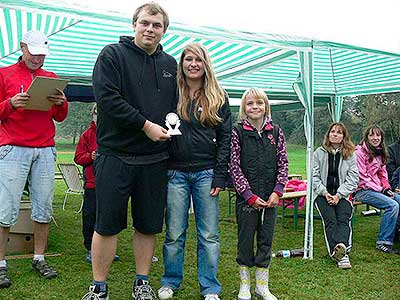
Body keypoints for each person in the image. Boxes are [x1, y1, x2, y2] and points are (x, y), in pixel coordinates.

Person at [81, 2, 177, 300]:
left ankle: (142, 283)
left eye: (157, 25)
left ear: (164, 30)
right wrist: (145, 125)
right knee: (106, 225)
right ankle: (99, 287)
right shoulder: (112, 55)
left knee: (148, 226)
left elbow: (177, 107)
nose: (150, 29)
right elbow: (107, 98)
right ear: (134, 24)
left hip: (155, 159)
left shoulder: (170, 65)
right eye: (145, 23)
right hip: (115, 155)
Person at [158, 43, 231, 300]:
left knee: (209, 234)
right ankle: (170, 280)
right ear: (182, 63)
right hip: (175, 172)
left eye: (198, 59)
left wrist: (221, 175)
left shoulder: (218, 97)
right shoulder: (170, 93)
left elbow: (225, 141)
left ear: (205, 64)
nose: (193, 64)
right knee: (174, 233)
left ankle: (210, 287)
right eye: (188, 59)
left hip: (207, 173)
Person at [0, 30, 68, 288]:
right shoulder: (4, 74)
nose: (38, 59)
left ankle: (39, 257)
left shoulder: (50, 78)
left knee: (43, 207)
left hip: (45, 148)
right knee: (6, 207)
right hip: (13, 148)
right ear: (22, 47)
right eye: (34, 53)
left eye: (42, 55)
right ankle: (1, 263)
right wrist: (10, 104)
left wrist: (62, 103)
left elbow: (60, 117)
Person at [229, 88, 288, 300]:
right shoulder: (237, 132)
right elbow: (234, 166)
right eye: (250, 103)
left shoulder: (277, 132)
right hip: (247, 199)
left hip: (270, 199)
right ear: (244, 107)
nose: (255, 107)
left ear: (266, 106)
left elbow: (283, 163)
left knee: (266, 241)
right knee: (245, 241)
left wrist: (277, 191)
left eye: (259, 103)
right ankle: (244, 285)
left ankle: (262, 286)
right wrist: (248, 195)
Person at [73, 104, 119, 264]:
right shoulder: (87, 135)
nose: (98, 115)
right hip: (92, 184)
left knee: (109, 216)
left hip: (112, 183)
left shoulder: (115, 133)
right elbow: (78, 157)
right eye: (96, 112)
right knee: (90, 216)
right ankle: (90, 249)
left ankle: (108, 249)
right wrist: (90, 157)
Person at [313, 123, 359, 269]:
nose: (335, 134)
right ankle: (339, 253)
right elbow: (314, 177)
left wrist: (339, 195)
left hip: (342, 195)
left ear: (344, 136)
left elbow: (353, 178)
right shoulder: (319, 153)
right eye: (332, 131)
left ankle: (342, 249)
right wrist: (325, 193)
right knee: (331, 220)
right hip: (322, 195)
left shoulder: (350, 154)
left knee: (343, 219)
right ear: (328, 134)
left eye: (339, 132)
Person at [353, 125, 400, 254]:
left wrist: (387, 188)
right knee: (392, 205)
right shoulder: (359, 153)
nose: (375, 138)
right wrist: (381, 190)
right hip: (362, 190)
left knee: (398, 200)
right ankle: (383, 242)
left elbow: (382, 174)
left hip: (377, 189)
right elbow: (362, 178)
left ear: (381, 137)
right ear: (367, 137)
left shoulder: (380, 153)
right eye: (372, 135)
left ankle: (396, 234)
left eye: (378, 135)